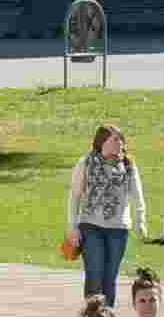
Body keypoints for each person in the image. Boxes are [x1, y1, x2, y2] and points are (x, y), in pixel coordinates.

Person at [63, 123, 149, 307]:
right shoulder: (86, 163)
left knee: (110, 277)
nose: (121, 144)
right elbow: (75, 197)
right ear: (103, 142)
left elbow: (137, 195)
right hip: (90, 226)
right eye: (116, 139)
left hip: (118, 229)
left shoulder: (128, 165)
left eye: (122, 140)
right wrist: (73, 228)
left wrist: (141, 219)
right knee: (95, 274)